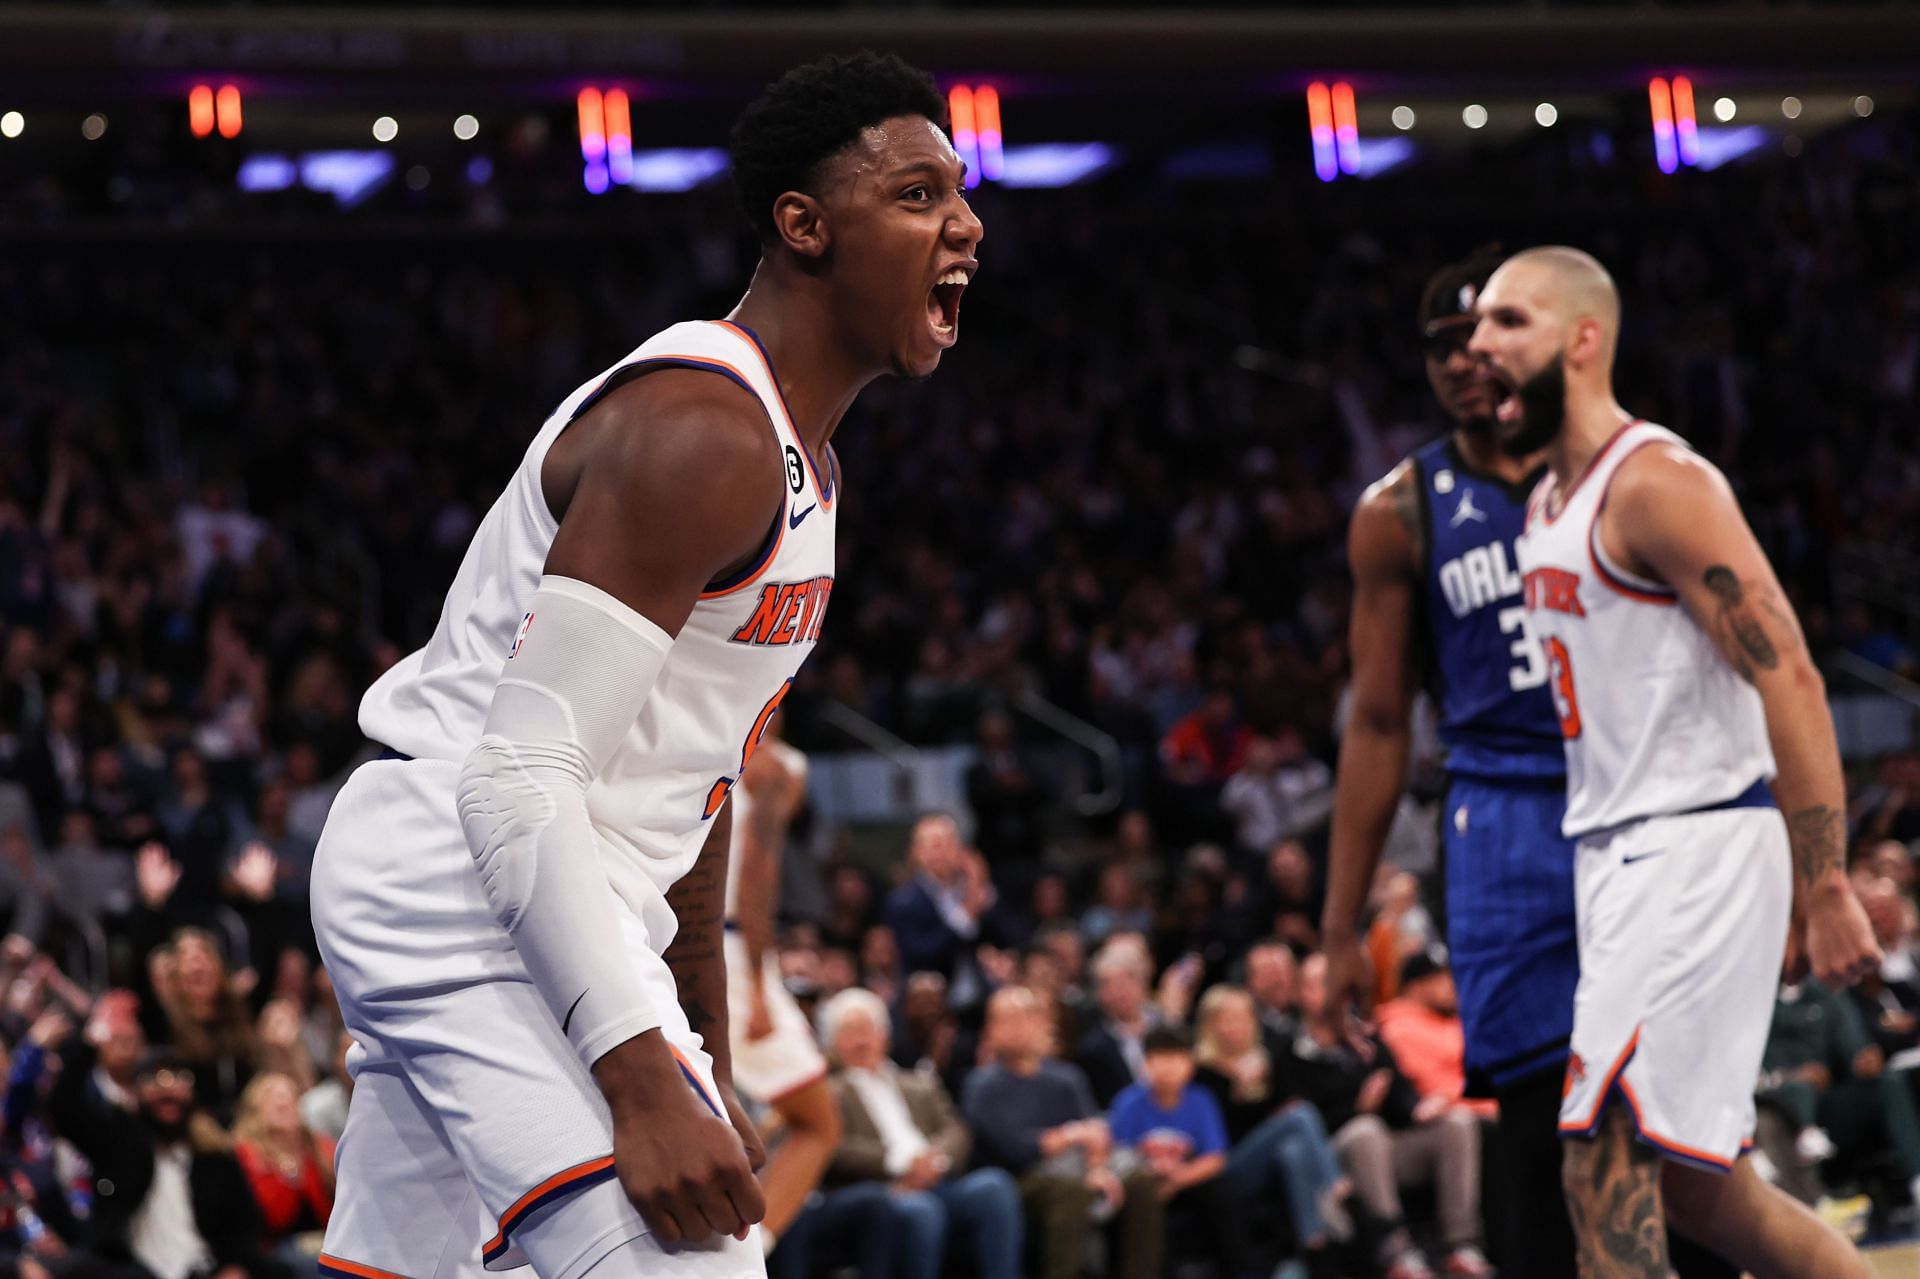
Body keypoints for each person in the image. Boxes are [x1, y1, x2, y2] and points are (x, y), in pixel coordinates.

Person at [308, 52, 982, 1279]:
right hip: (476, 873)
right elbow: (515, 775)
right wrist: (641, 1076)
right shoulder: (703, 429)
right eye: (919, 193)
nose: (965, 222)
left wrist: (701, 1049)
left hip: (557, 890)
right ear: (804, 225)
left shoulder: (805, 473)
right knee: (696, 1260)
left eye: (961, 192)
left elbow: (695, 793)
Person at [1321, 248, 1736, 1279]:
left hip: (1642, 800)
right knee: (1538, 1109)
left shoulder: (1636, 471)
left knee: (1676, 1100)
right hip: (1504, 815)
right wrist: (1339, 924)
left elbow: (1731, 661)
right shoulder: (1400, 508)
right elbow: (1377, 725)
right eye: (1443, 346)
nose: (1466, 360)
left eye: (1487, 334)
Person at [1484, 245, 1881, 1277]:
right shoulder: (1541, 507)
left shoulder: (1656, 480)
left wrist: (1826, 878)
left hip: (1694, 842)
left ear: (1584, 338)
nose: (1479, 344)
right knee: (1708, 1195)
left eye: (1508, 321)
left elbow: (1786, 666)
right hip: (1618, 852)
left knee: (1601, 1167)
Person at [1290, 953, 1489, 1279]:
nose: (1327, 992)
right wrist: (1357, 1109)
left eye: (1331, 981)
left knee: (1456, 1122)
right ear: (1300, 994)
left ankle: (1461, 1245)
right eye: (1316, 985)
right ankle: (1396, 1252)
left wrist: (1417, 1109)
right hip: (1334, 1162)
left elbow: (1398, 1089)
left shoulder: (1366, 1037)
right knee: (1365, 1130)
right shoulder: (1292, 1052)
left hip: (1387, 1150)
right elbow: (1303, 1124)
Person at [722, 718, 842, 1249]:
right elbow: (756, 875)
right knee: (817, 1123)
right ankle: (748, 1259)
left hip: (647, 934)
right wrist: (753, 983)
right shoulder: (779, 766)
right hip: (724, 948)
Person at [817, 987, 1023, 1279]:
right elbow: (836, 1146)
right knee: (922, 1212)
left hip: (937, 1177)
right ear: (833, 1043)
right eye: (850, 1031)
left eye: (868, 1029)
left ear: (885, 1035)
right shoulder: (828, 1093)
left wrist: (934, 1160)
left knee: (994, 1186)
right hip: (882, 1190)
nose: (862, 1039)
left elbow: (956, 1130)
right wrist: (899, 1164)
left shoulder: (917, 1082)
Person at [962, 986, 1161, 1279]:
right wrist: (1069, 1137)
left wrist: (1097, 1167)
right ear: (990, 1030)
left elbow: (1095, 1129)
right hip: (1017, 1179)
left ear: (1042, 1023)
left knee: (1141, 1180)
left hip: (1076, 1165)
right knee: (1070, 1190)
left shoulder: (1066, 1077)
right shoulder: (982, 1084)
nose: (1018, 1027)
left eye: (1025, 1017)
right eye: (1006, 1019)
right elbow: (1013, 1148)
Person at [1192, 984, 1351, 1269]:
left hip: (1269, 1162)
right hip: (1228, 1168)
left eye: (1242, 1017)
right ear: (1210, 1025)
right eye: (1226, 1018)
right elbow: (1219, 1133)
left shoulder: (1265, 1060)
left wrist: (1268, 1076)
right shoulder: (1202, 1073)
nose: (1235, 1026)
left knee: (1293, 1151)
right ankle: (1334, 1186)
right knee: (1301, 1115)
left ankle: (1313, 1244)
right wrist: (1237, 1089)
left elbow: (1281, 1106)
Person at [1108, 1025, 1246, 1278]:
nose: (1168, 1068)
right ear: (1145, 1064)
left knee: (1221, 1195)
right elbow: (1117, 1154)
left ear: (1190, 1064)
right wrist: (1152, 1174)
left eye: (1176, 1058)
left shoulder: (1201, 1100)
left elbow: (1216, 1158)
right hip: (1145, 1186)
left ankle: (1239, 1270)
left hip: (1186, 1180)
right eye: (1159, 1058)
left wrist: (1177, 1179)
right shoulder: (1128, 1103)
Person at [233, 1072, 335, 1276]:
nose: (283, 1102)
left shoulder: (320, 1147)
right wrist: (290, 1176)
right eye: (272, 1097)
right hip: (273, 1246)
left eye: (290, 1096)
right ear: (255, 1109)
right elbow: (275, 1218)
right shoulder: (245, 1154)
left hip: (323, 1239)